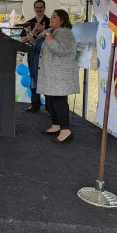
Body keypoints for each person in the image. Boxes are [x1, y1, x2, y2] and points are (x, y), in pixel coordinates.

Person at [36, 9, 79, 144]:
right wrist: (43, 33)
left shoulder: (66, 32)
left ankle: (66, 131)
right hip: (52, 74)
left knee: (59, 99)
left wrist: (48, 36)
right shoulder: (54, 32)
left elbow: (62, 49)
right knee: (51, 98)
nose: (51, 19)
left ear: (62, 20)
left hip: (60, 74)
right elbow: (41, 43)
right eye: (52, 17)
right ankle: (56, 125)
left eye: (54, 17)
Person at [19, 0, 51, 113]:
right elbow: (22, 40)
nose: (39, 9)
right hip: (33, 55)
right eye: (37, 7)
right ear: (34, 9)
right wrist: (33, 31)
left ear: (44, 8)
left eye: (41, 7)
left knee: (46, 80)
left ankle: (49, 108)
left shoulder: (49, 22)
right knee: (33, 79)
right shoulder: (28, 23)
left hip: (46, 56)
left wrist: (43, 31)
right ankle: (35, 105)